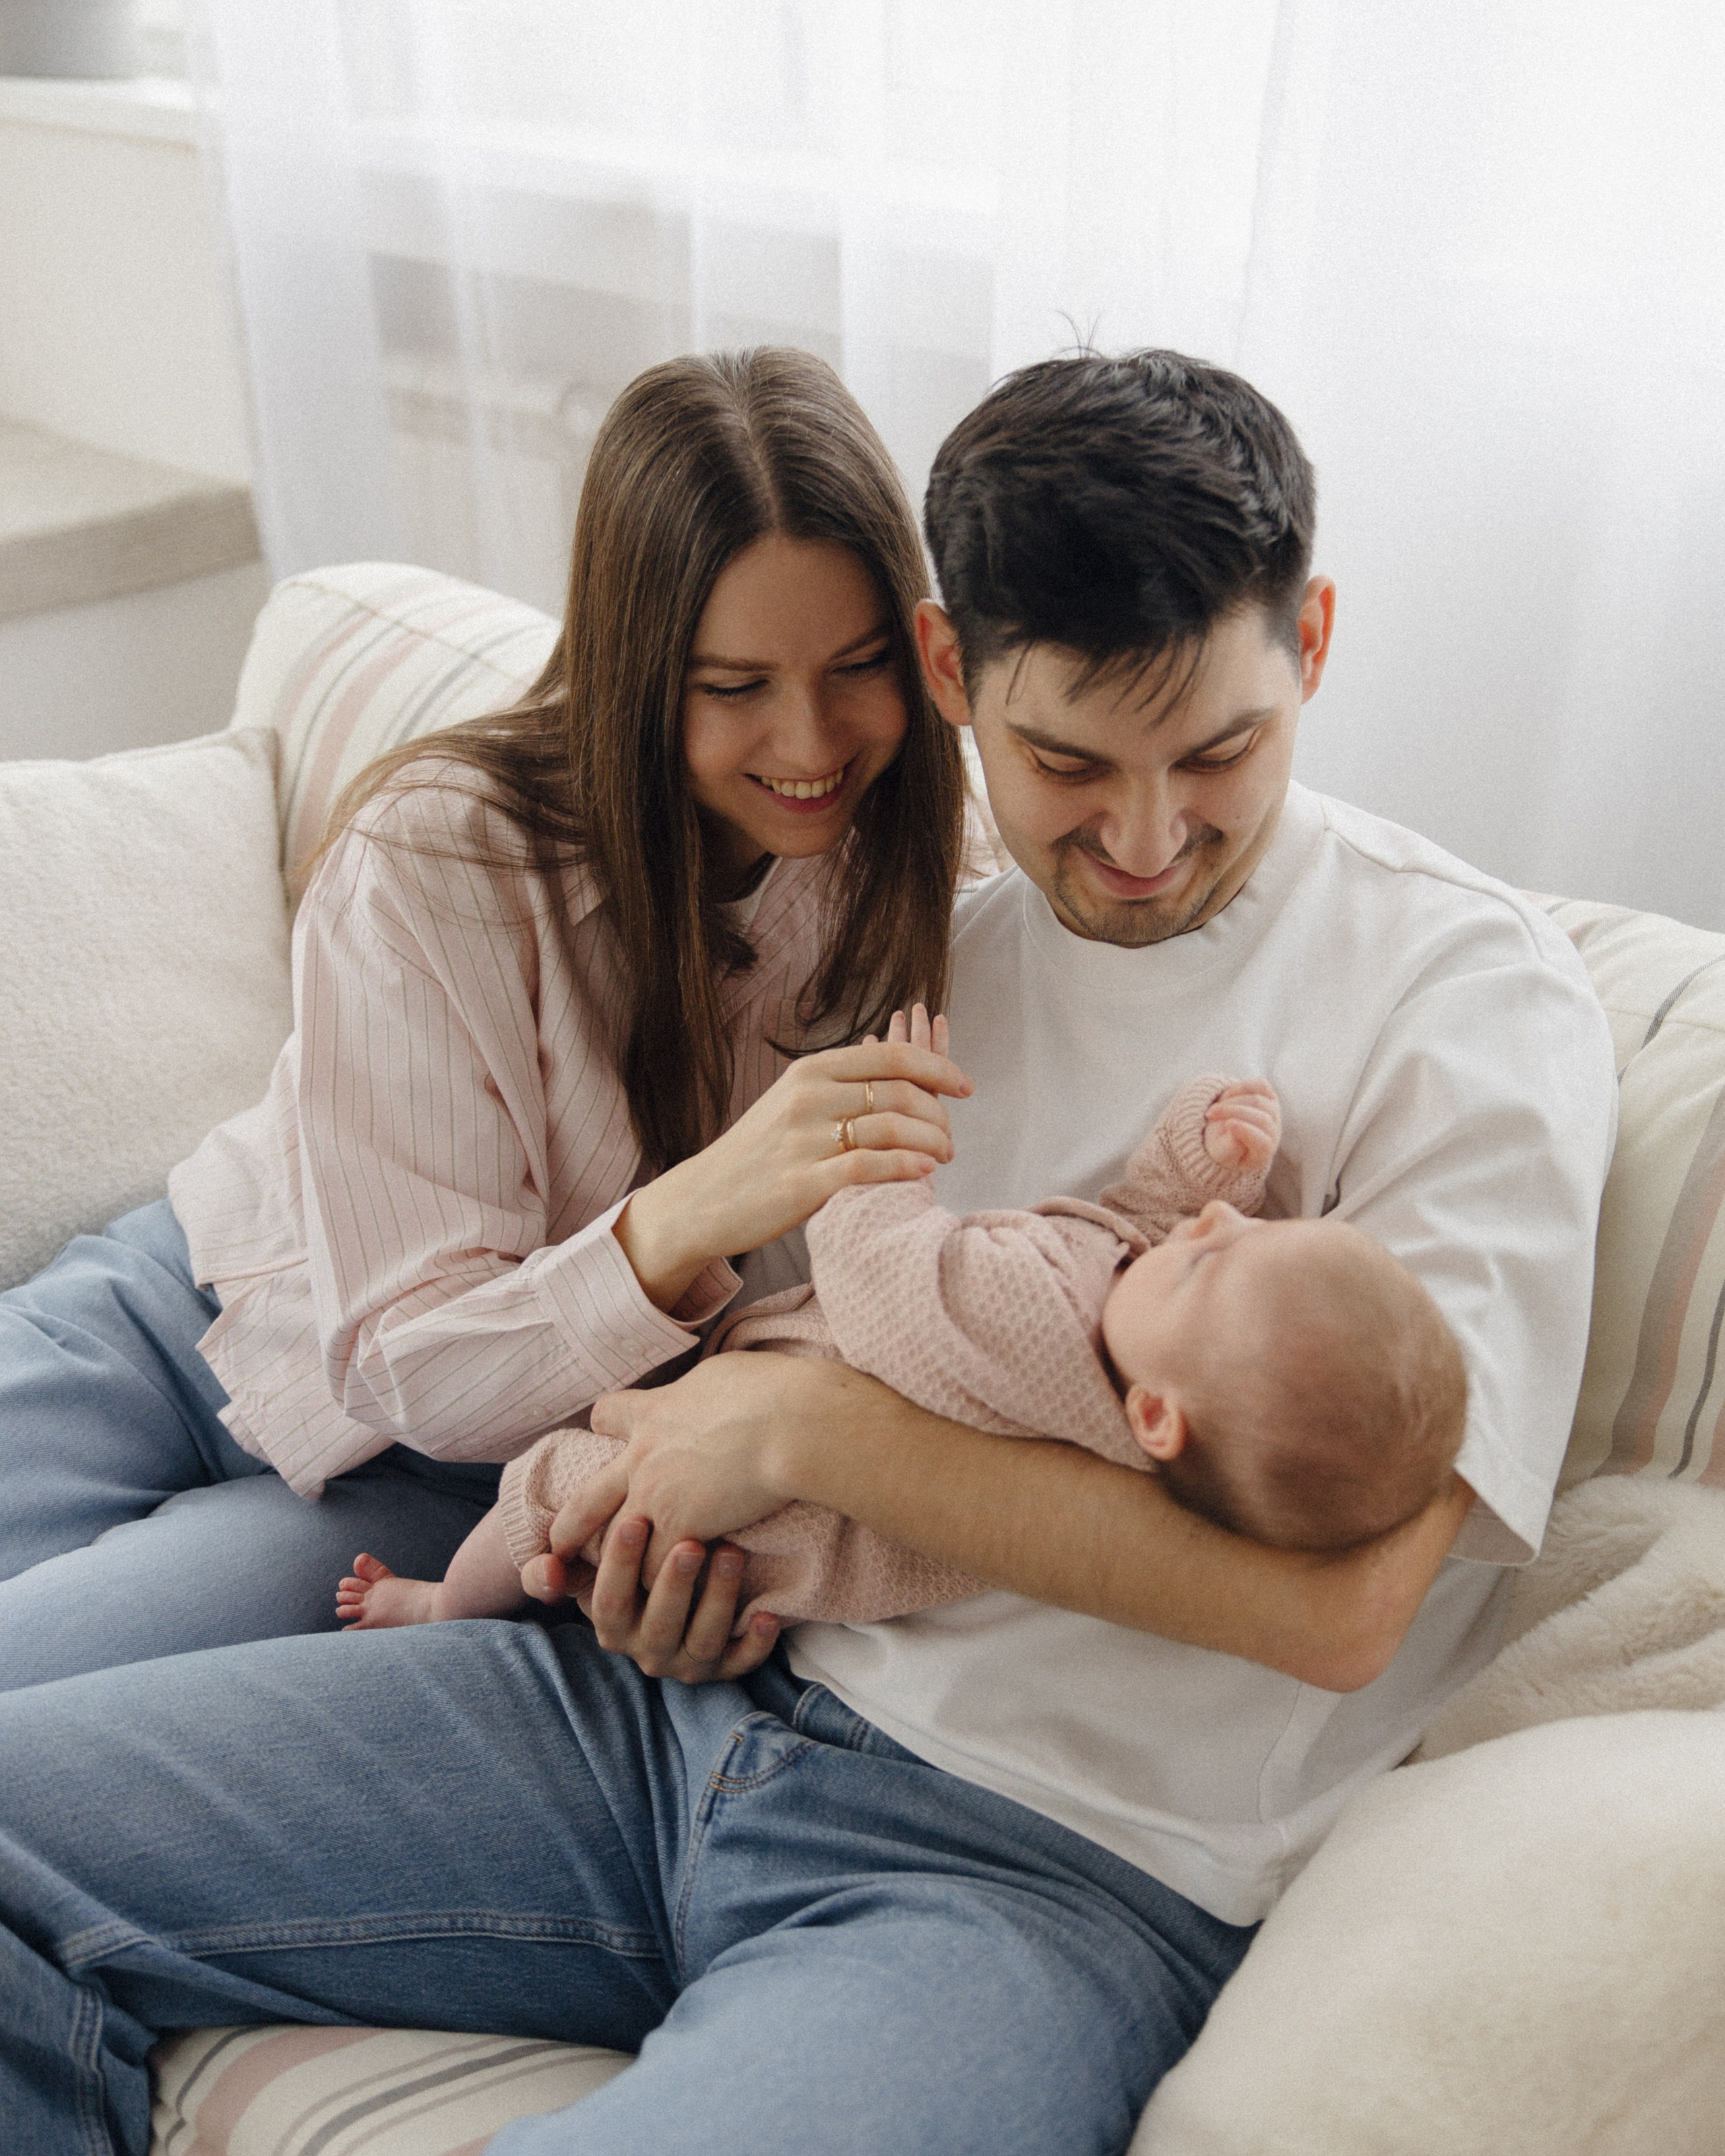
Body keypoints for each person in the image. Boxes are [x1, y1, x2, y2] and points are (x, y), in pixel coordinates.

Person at [0, 349, 1617, 2156]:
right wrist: (646, 1540)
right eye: (1070, 763)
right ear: (949, 677)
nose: (1148, 843)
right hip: (649, 1710)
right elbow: (723, 1353)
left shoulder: (1465, 998)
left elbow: (1345, 1608)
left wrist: (803, 1450)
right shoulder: (917, 934)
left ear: (1312, 639)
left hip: (1027, 1872)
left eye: (1221, 752)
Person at [0, 346, 969, 1691]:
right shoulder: (440, 853)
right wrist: (697, 1207)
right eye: (732, 684)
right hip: (195, 1306)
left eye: (855, 666)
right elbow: (397, 1333)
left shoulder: (946, 896)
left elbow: (442, 1404)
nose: (808, 742)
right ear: (637, 670)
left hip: (426, 1497)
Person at [335, 1041, 1464, 1634]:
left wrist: (887, 1159)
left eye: (1220, 1254)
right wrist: (1210, 1160)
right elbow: (1143, 1219)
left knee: (547, 1487)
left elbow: (883, 1282)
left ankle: (445, 1604)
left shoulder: (1035, 1329)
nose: (1218, 1225)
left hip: (763, 1515)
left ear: (1161, 1417)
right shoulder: (1145, 1361)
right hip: (750, 1451)